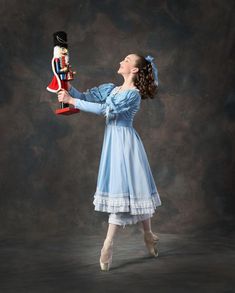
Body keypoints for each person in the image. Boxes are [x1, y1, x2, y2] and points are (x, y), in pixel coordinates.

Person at [57, 53, 162, 271]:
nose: (121, 61)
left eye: (126, 60)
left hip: (126, 145)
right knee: (131, 189)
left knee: (128, 189)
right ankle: (149, 235)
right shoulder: (111, 90)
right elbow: (85, 97)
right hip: (113, 144)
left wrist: (72, 101)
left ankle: (108, 245)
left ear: (134, 70)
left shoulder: (132, 95)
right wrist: (67, 86)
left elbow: (104, 110)